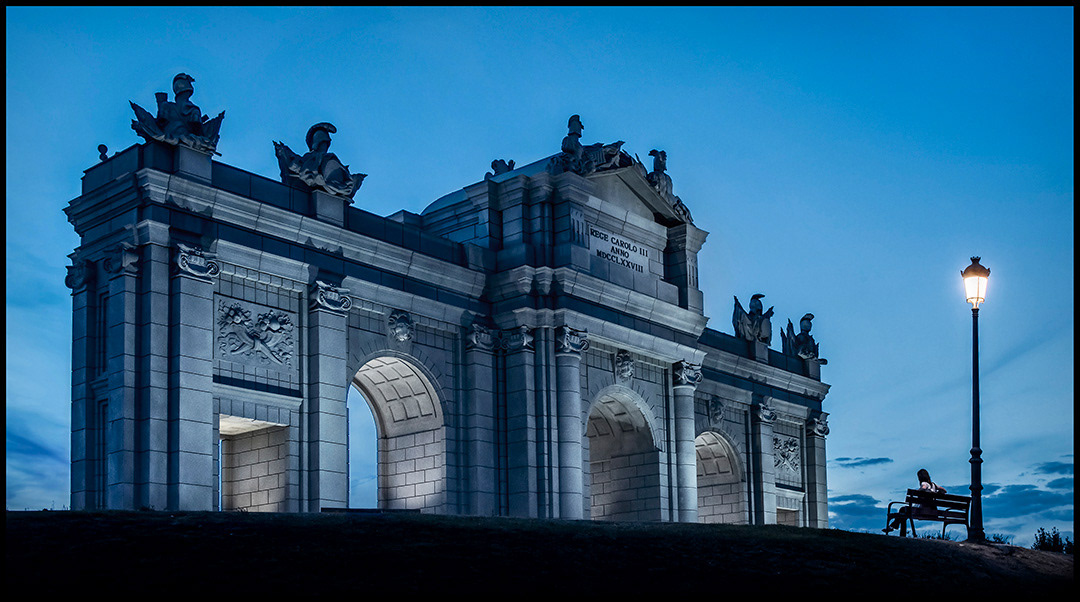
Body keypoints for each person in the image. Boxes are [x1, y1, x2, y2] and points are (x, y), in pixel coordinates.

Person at [884, 468, 946, 535]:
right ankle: (893, 527)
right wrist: (936, 492)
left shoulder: (924, 483)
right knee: (904, 512)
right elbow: (944, 490)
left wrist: (916, 492)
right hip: (933, 512)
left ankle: (895, 528)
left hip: (922, 511)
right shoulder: (934, 485)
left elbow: (923, 487)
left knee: (902, 510)